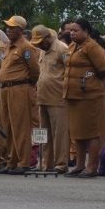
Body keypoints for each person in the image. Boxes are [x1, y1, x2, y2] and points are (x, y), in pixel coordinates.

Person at [62, 19, 105, 178]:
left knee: (92, 132)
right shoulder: (73, 46)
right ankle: (79, 165)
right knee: (77, 132)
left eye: (76, 30)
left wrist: (88, 80)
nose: (72, 33)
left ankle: (92, 167)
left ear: (86, 31)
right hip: (74, 96)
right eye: (71, 30)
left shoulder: (92, 47)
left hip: (90, 96)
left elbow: (103, 70)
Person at [0, 16, 39, 174]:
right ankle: (11, 161)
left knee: (20, 126)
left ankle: (23, 162)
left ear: (20, 30)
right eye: (7, 27)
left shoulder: (26, 47)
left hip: (19, 88)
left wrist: (27, 85)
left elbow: (34, 71)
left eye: (12, 28)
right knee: (8, 125)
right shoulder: (8, 46)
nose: (8, 30)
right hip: (5, 89)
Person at [34, 25, 70, 173]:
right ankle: (44, 164)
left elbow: (69, 70)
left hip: (58, 98)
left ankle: (60, 164)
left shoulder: (62, 48)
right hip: (42, 97)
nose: (39, 45)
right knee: (43, 133)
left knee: (59, 133)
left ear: (48, 37)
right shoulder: (42, 51)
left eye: (41, 41)